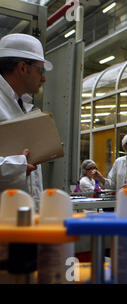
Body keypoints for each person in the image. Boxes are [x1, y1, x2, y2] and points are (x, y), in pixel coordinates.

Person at [0, 33, 53, 211]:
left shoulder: (22, 106)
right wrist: (16, 166)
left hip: (24, 219)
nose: (43, 78)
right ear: (23, 68)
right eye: (40, 70)